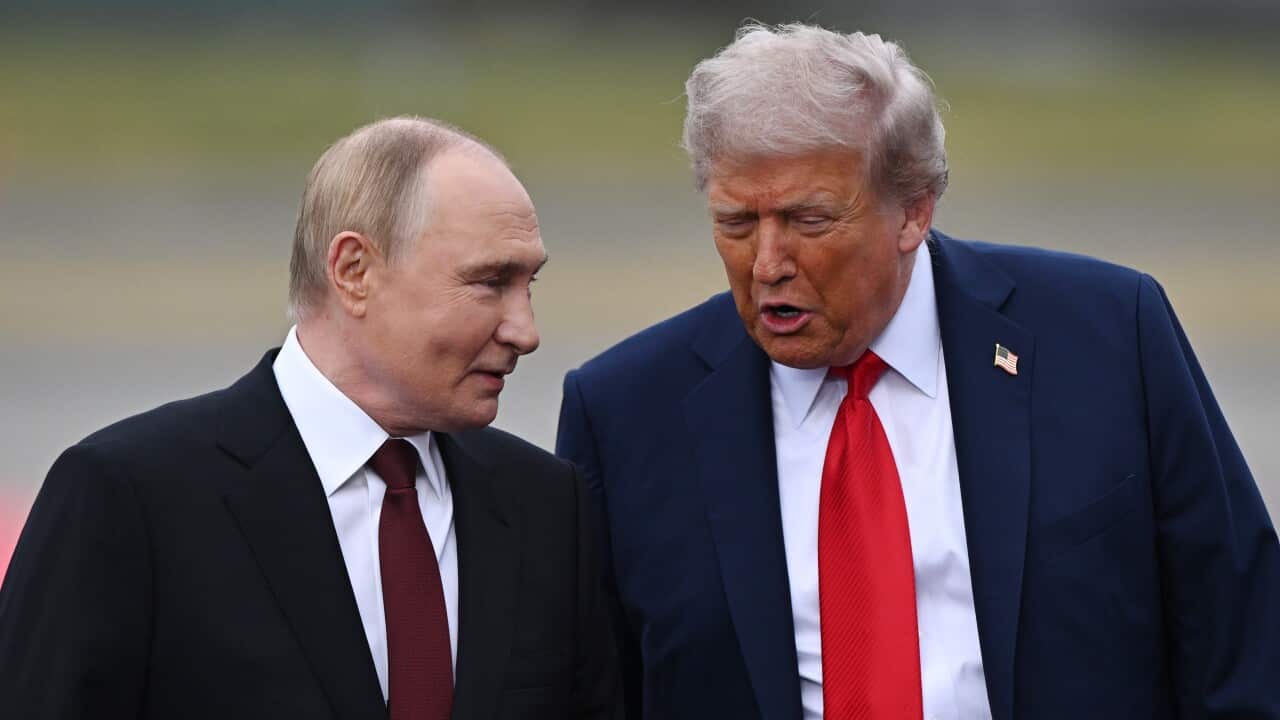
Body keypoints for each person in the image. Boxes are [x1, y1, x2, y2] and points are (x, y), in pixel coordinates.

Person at [556, 23, 1280, 720]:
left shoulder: (1109, 336)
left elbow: (1243, 646)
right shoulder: (624, 413)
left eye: (810, 221)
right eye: (737, 223)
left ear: (913, 212)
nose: (767, 264)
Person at [0, 116, 620, 719]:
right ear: (354, 272)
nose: (526, 331)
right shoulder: (129, 497)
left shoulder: (546, 506)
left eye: (528, 285)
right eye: (490, 283)